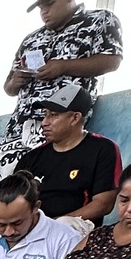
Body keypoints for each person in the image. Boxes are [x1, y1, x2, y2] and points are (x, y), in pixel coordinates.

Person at [0, 0, 124, 177]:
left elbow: (112, 60)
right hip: (18, 129)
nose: (44, 12)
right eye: (40, 7)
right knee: (8, 191)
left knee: (46, 188)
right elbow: (8, 88)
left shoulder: (99, 20)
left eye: (50, 4)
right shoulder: (31, 39)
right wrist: (17, 80)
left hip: (61, 126)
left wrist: (62, 66)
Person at [10, 87, 121, 222]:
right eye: (45, 114)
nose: (45, 122)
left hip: (77, 228)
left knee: (65, 223)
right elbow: (12, 200)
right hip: (33, 226)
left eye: (53, 115)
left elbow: (104, 204)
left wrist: (55, 224)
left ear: (75, 118)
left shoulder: (103, 149)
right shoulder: (31, 158)